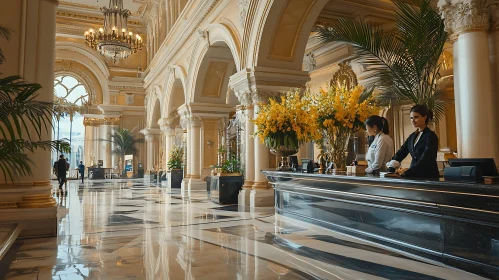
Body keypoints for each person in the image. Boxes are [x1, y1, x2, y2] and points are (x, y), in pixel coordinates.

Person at [387, 104, 439, 178]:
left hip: (428, 176)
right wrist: (391, 167)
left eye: (416, 117)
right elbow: (402, 151)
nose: (413, 121)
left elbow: (426, 159)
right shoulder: (412, 136)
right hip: (414, 176)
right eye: (411, 118)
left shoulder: (431, 136)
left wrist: (407, 172)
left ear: (425, 117)